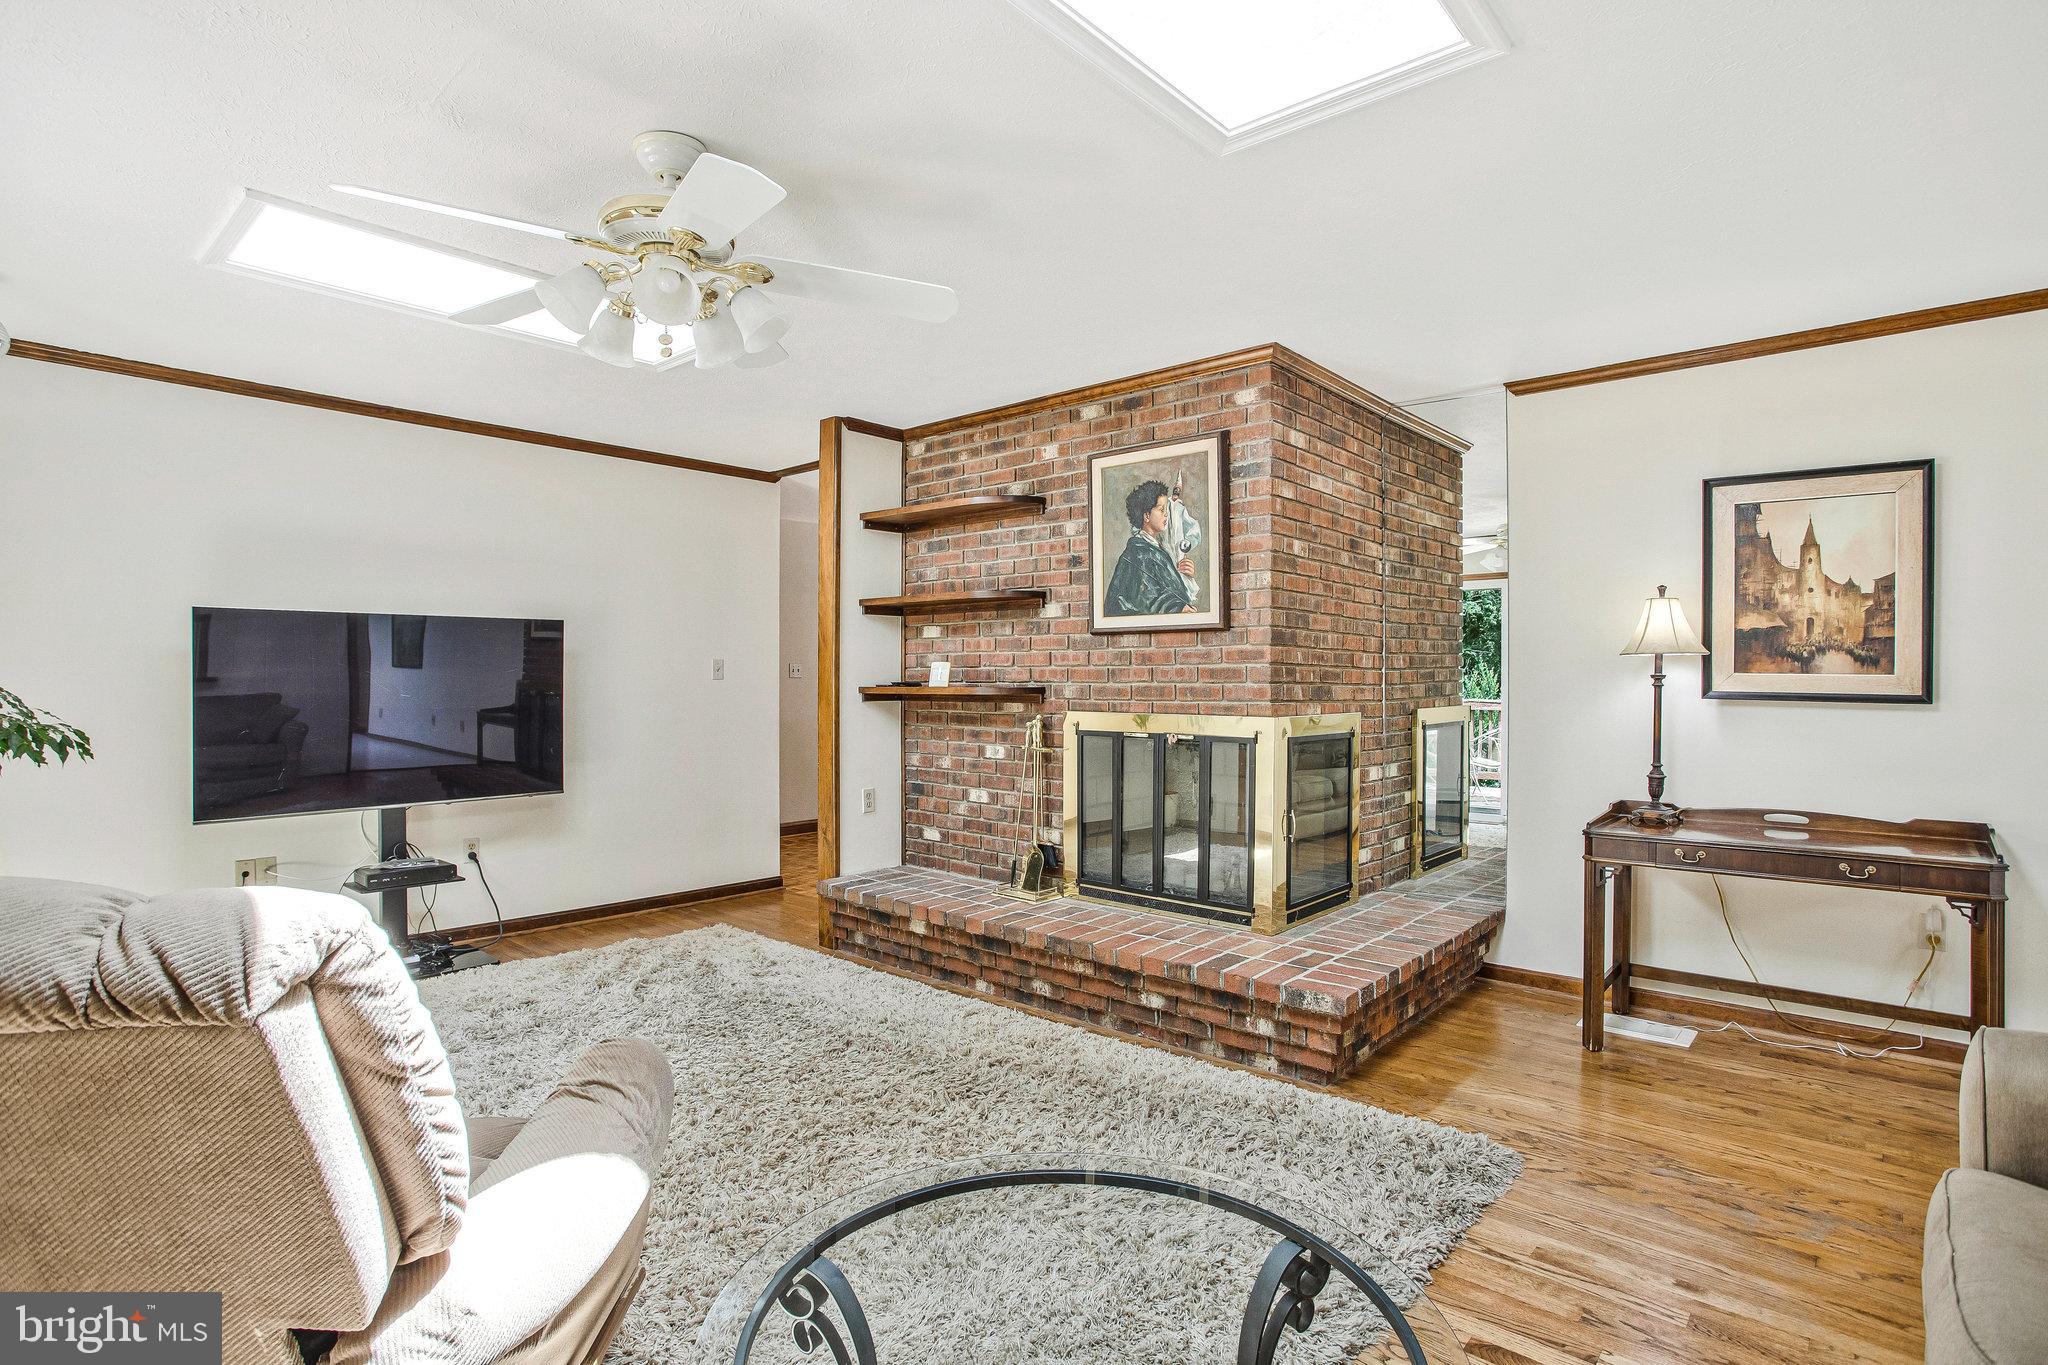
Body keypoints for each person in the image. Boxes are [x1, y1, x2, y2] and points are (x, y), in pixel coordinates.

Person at [1103, 479, 1198, 616]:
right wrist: (1178, 608)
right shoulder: (1138, 553)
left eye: (1166, 509)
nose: (1166, 514)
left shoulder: (1154, 549)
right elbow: (1145, 598)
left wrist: (1187, 575)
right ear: (1147, 516)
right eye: (1161, 509)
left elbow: (1169, 591)